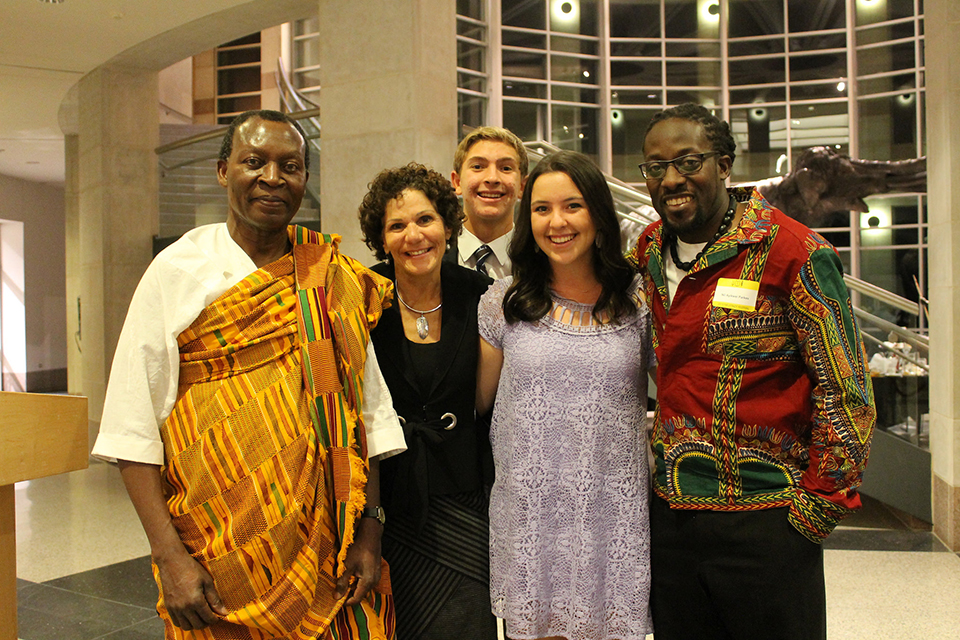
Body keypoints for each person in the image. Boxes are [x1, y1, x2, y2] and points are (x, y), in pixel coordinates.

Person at [92, 110, 404, 640]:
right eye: (254, 162)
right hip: (216, 551)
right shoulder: (177, 270)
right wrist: (170, 558)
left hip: (331, 547)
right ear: (222, 171)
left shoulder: (329, 278)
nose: (273, 178)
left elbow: (369, 414)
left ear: (305, 179)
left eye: (291, 166)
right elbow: (132, 425)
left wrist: (369, 535)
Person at [629, 103, 876, 640]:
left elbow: (846, 389)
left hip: (768, 520)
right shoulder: (647, 252)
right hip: (672, 521)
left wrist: (814, 513)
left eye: (688, 161)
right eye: (655, 167)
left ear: (724, 164)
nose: (672, 179)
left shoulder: (794, 251)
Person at [477, 150, 655, 640]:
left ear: (598, 214)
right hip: (530, 518)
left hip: (612, 518)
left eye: (572, 206)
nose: (556, 222)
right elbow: (478, 406)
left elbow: (680, 391)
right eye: (541, 209)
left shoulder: (639, 301)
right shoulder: (504, 302)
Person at [357, 163, 496, 639]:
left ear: (448, 226)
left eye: (425, 220)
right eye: (397, 226)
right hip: (385, 507)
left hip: (464, 500)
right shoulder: (361, 299)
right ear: (381, 238)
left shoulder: (481, 296)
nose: (413, 236)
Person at [450, 126, 528, 278]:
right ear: (457, 182)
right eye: (478, 167)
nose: (492, 178)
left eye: (505, 168)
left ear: (522, 186)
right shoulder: (432, 255)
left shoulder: (542, 261)